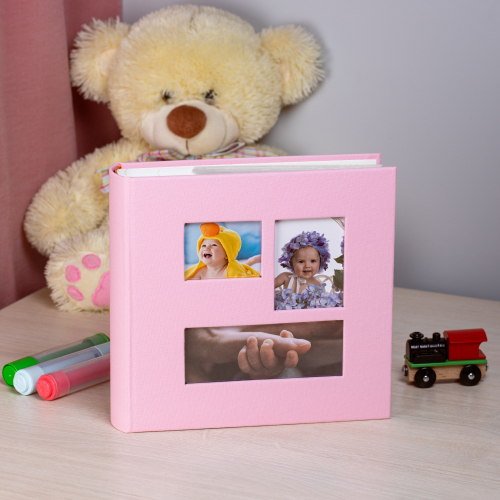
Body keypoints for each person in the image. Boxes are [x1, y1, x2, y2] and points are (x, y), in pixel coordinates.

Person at [185, 222, 260, 280]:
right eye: (203, 245)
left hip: (237, 268)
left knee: (241, 268)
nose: (206, 248)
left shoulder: (232, 271)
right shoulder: (200, 272)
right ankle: (251, 261)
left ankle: (251, 261)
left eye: (213, 245)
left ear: (227, 254)